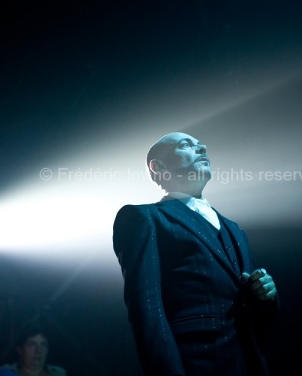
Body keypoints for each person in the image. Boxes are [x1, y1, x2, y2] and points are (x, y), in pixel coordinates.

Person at [113, 132, 279, 376]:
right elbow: (146, 309)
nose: (202, 148)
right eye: (186, 145)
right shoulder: (144, 218)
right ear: (158, 166)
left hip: (250, 361)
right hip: (196, 364)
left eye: (201, 145)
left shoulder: (235, 229)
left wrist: (267, 294)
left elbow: (260, 313)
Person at [0, 322, 67, 376]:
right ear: (20, 350)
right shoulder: (3, 374)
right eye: (32, 345)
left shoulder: (59, 374)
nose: (38, 350)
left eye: (43, 345)